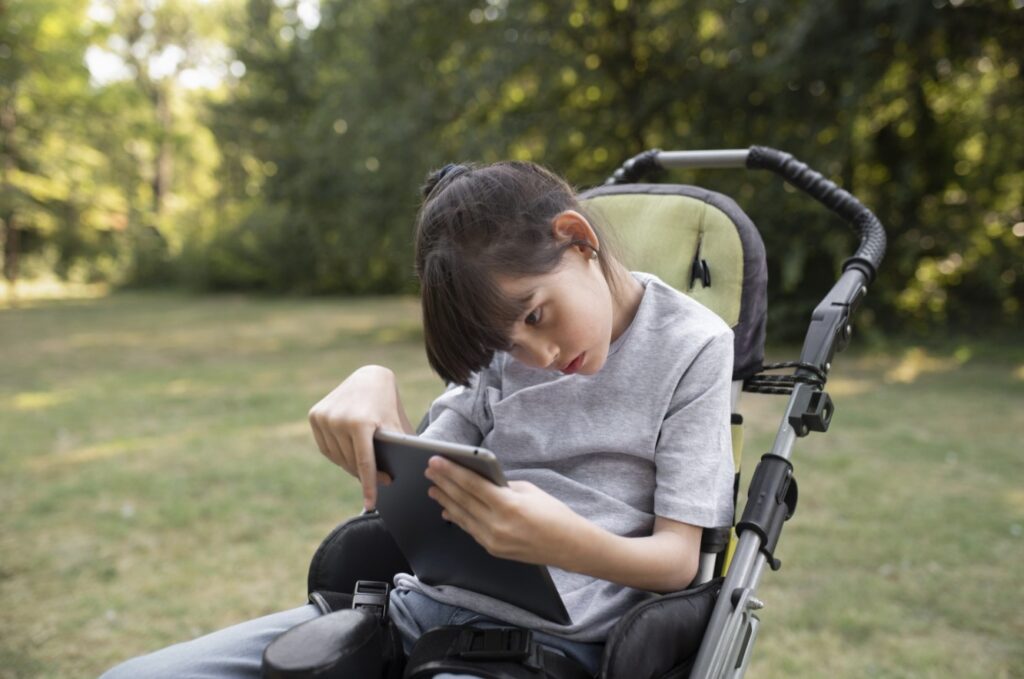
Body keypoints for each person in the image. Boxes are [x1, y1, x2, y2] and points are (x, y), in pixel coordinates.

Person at [100, 161, 735, 679]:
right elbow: (422, 477)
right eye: (509, 344)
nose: (537, 356)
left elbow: (678, 563)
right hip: (409, 615)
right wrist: (373, 386)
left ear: (578, 238)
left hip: (546, 650)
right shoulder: (503, 352)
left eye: (536, 315)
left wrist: (562, 543)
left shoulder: (693, 346)